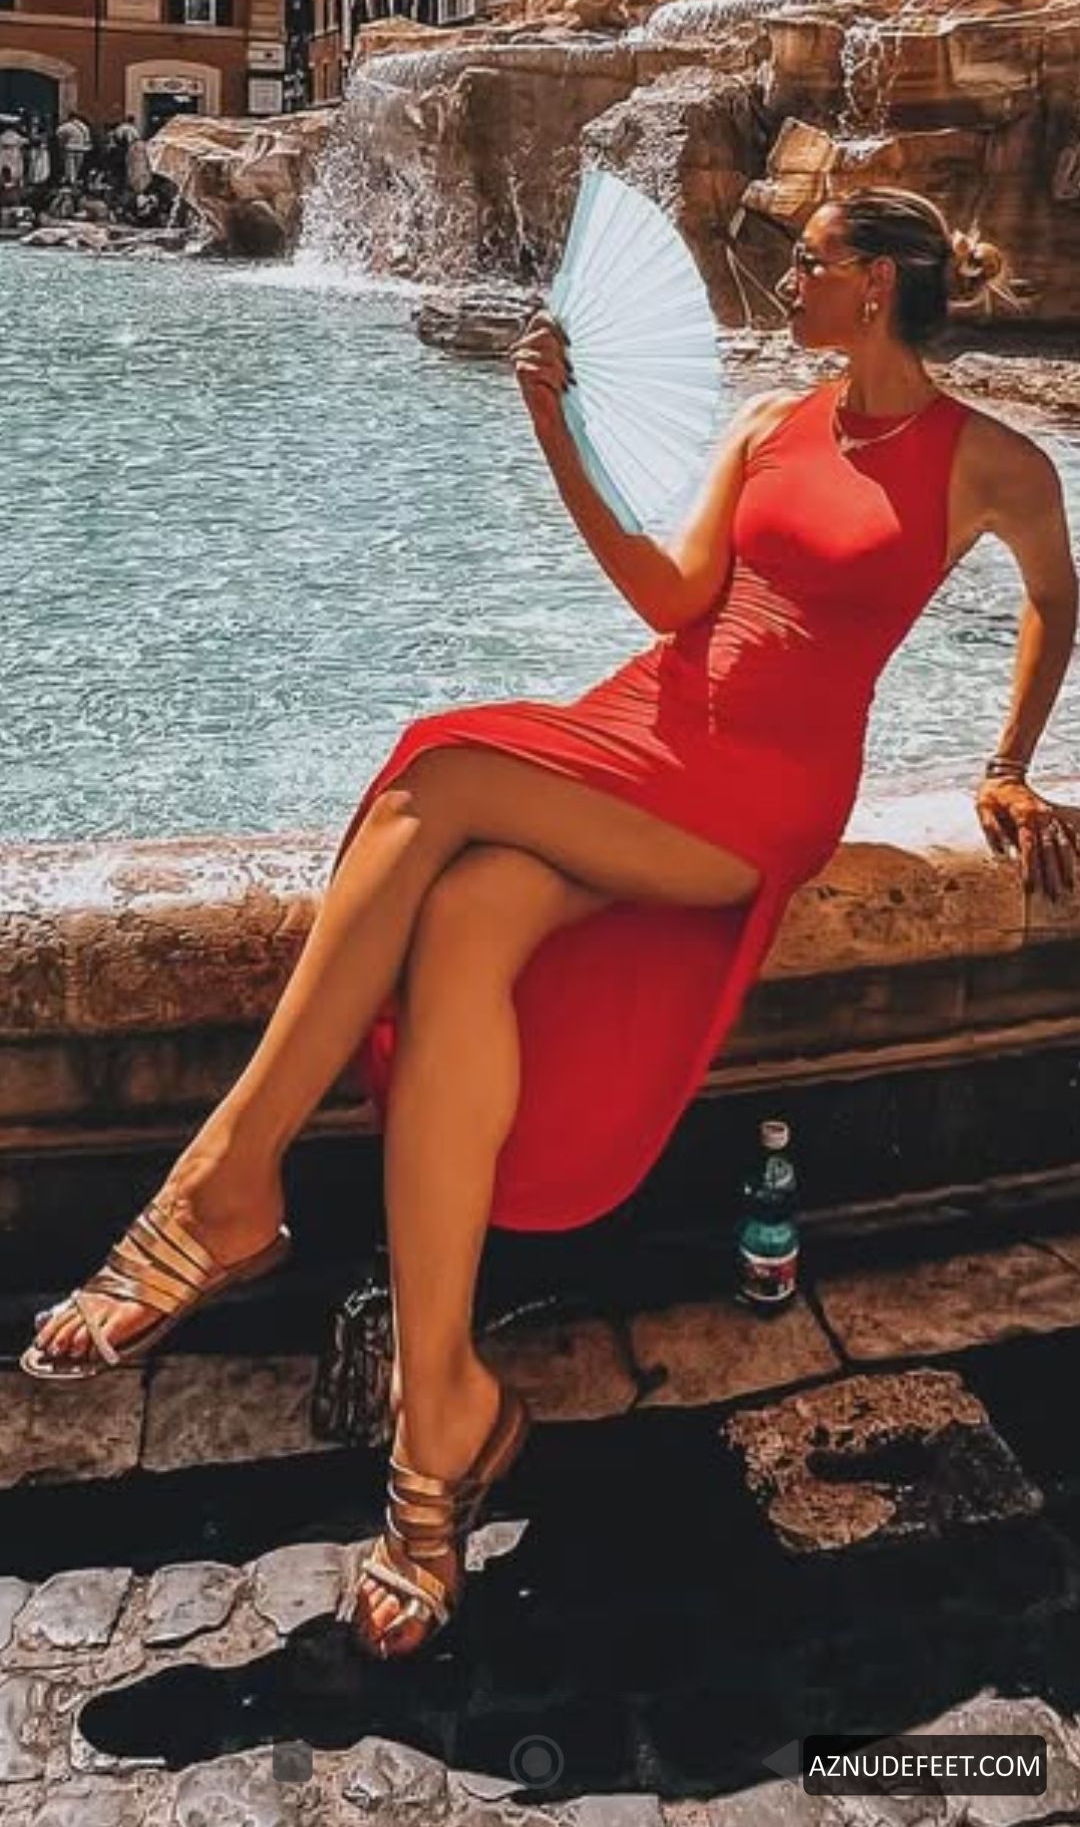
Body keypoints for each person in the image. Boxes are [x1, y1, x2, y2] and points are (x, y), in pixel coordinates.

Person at [22, 190, 1080, 1660]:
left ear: (883, 284)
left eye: (813, 261)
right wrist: (556, 429)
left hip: (767, 789)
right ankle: (442, 1413)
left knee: (439, 770)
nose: (787, 277)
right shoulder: (770, 423)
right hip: (656, 727)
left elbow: (1054, 599)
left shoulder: (993, 460)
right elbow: (672, 596)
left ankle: (226, 1187)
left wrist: (1007, 762)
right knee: (464, 914)